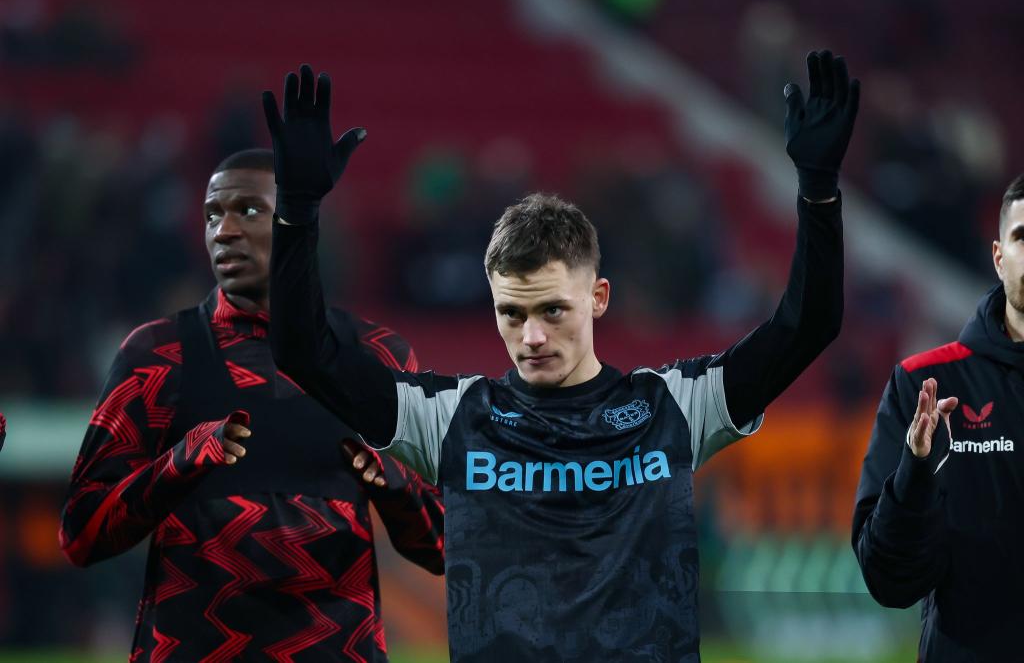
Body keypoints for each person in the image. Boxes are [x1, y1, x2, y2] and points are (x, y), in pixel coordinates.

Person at [267, 51, 857, 661]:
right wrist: (296, 213)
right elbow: (305, 350)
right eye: (511, 314)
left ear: (598, 297)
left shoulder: (673, 407)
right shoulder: (451, 419)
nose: (531, 338)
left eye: (552, 310)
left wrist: (818, 193)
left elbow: (807, 324)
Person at [59, 148, 444, 661]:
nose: (224, 231)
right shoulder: (156, 354)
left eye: (249, 211)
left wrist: (396, 489)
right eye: (213, 214)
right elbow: (81, 535)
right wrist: (176, 466)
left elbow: (443, 546)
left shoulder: (377, 357)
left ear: (299, 224)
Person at [854, 175, 1024, 661]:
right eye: (1022, 237)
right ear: (997, 257)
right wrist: (915, 469)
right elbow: (887, 579)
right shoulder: (924, 384)